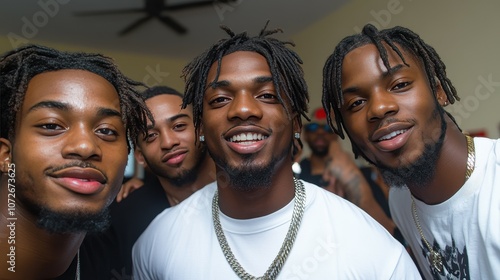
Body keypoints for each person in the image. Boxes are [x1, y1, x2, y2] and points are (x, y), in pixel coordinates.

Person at [133, 22, 421, 279]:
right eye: (220, 99)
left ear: (295, 121)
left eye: (267, 95)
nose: (243, 109)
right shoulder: (157, 243)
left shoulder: (373, 250)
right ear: (201, 129)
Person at [322, 23, 500, 279]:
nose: (379, 108)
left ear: (439, 92)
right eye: (357, 103)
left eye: (400, 84)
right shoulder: (402, 201)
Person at [0, 44, 152, 279]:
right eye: (52, 126)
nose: (85, 147)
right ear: (5, 154)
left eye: (106, 130)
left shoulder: (116, 257)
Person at [83, 85, 215, 278]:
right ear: (140, 156)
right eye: (151, 136)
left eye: (179, 126)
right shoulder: (122, 217)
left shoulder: (242, 191)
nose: (168, 142)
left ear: (201, 129)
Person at [300, 107, 399, 237]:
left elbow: (387, 231)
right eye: (313, 127)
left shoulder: (364, 174)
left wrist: (348, 173)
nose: (320, 132)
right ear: (305, 135)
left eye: (327, 128)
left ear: (335, 135)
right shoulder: (294, 178)